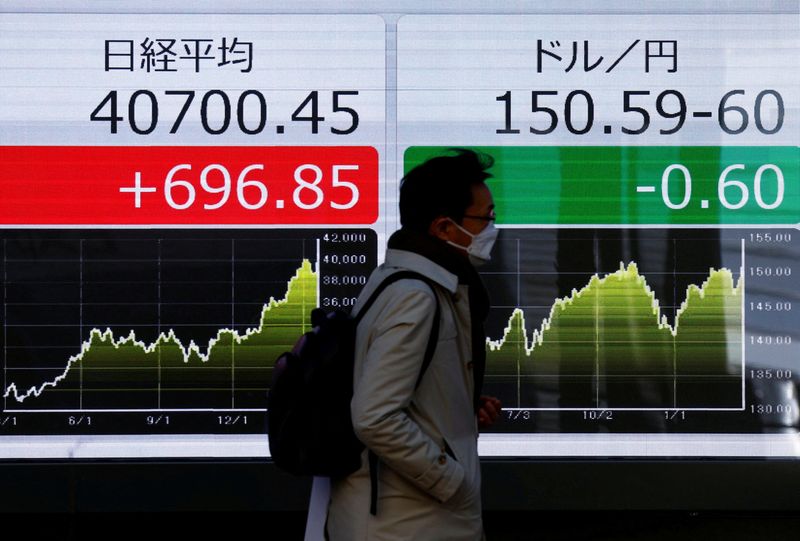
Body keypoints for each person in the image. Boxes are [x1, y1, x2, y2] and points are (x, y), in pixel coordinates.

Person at [323, 149, 502, 540]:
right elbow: (374, 416)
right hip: (407, 524)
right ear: (443, 227)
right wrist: (450, 480)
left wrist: (456, 407)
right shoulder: (416, 296)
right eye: (484, 218)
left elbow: (397, 390)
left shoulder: (397, 279)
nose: (492, 227)